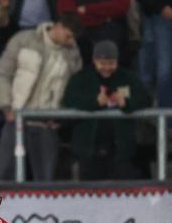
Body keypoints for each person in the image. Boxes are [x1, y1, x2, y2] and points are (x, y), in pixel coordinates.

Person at [0, 12, 83, 181]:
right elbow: (3, 74)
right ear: (58, 26)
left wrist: (61, 118)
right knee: (4, 175)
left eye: (73, 38)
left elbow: (74, 89)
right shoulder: (24, 40)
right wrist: (6, 106)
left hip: (46, 123)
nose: (70, 41)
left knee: (45, 180)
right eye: (68, 36)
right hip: (16, 117)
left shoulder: (73, 53)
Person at [61, 39, 152, 179]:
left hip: (121, 151)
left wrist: (126, 103)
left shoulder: (128, 77)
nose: (107, 67)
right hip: (88, 151)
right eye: (102, 63)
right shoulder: (81, 79)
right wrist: (94, 102)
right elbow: (69, 100)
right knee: (90, 191)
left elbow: (145, 100)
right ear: (94, 60)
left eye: (111, 63)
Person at [56, 0, 130, 63]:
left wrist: (88, 9)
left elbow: (121, 6)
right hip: (78, 31)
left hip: (109, 30)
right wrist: (104, 15)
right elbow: (67, 12)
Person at [134, 0, 172, 119]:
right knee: (158, 73)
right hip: (156, 13)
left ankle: (164, 123)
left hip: (159, 12)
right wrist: (160, 7)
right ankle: (160, 122)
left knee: (163, 73)